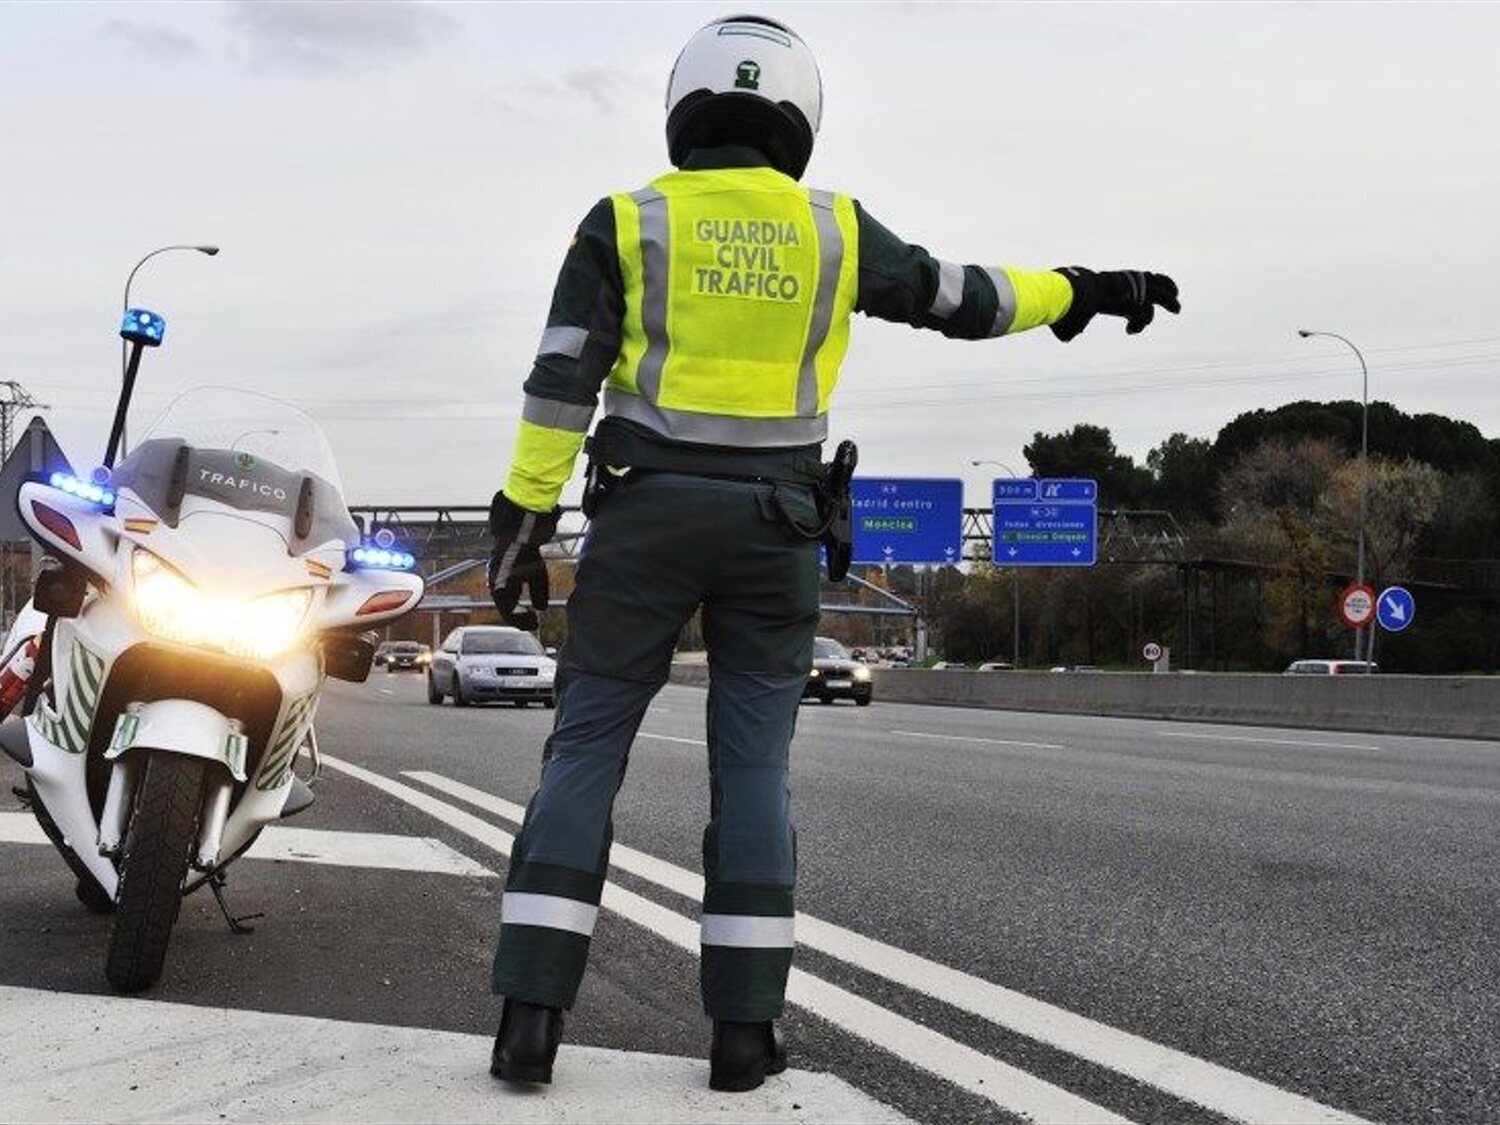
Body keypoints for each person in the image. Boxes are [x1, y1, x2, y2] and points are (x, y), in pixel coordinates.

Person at [486, 14, 1180, 1093]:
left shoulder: (625, 220)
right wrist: (1084, 289)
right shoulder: (835, 228)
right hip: (776, 533)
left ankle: (530, 1017)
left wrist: (521, 522)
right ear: (798, 117)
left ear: (685, 108)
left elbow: (561, 378)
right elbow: (964, 297)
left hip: (644, 521)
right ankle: (743, 1036)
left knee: (584, 753)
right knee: (752, 772)